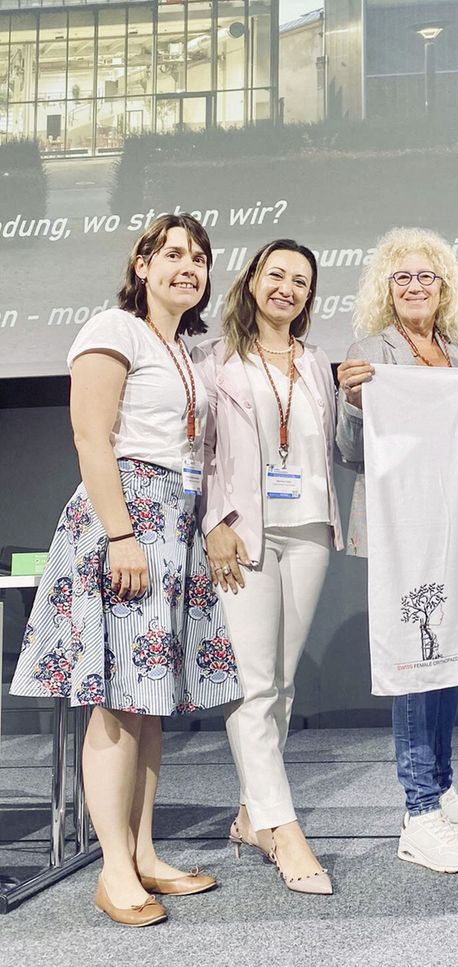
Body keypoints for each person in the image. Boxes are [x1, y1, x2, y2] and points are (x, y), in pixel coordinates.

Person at [11, 214, 241, 926]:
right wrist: (120, 535)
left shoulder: (185, 352)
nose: (188, 267)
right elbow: (90, 434)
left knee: (148, 701)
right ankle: (113, 869)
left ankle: (142, 852)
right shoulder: (113, 329)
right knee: (115, 698)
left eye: (199, 258)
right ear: (142, 265)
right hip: (126, 516)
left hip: (173, 518)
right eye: (172, 254)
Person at [336, 226, 458, 873]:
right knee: (414, 658)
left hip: (454, 526)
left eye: (426, 277)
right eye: (402, 277)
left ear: (444, 287)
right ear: (387, 288)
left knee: (445, 650)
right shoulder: (368, 351)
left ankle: (441, 787)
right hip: (401, 528)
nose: (414, 286)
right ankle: (419, 812)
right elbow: (349, 448)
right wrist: (354, 403)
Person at [193, 240, 343, 895]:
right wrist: (212, 522)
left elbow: (331, 444)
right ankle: (284, 830)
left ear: (309, 296)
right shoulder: (213, 359)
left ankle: (252, 815)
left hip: (309, 529)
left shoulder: (316, 363)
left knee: (281, 685)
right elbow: (196, 449)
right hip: (243, 534)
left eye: (300, 281)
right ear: (253, 280)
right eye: (276, 274)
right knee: (254, 686)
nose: (287, 287)